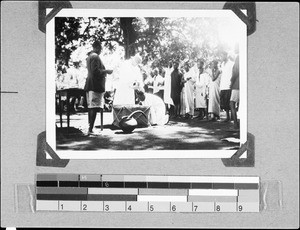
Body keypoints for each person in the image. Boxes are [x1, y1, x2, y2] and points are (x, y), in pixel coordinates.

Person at [84, 41, 113, 135]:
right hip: (95, 85)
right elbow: (95, 71)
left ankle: (90, 128)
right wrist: (106, 71)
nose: (101, 50)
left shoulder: (89, 57)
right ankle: (91, 129)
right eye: (100, 48)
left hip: (91, 84)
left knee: (92, 107)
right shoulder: (95, 56)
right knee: (94, 107)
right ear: (96, 47)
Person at [219, 50, 234, 122]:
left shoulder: (231, 63)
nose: (221, 57)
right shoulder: (222, 64)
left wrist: (231, 83)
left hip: (228, 85)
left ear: (226, 55)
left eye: (222, 56)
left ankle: (231, 117)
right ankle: (227, 116)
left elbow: (233, 74)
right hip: (223, 85)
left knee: (229, 101)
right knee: (224, 102)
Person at [230, 54, 239, 129]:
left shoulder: (239, 57)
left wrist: (231, 82)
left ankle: (236, 124)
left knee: (232, 103)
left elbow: (236, 71)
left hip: (237, 84)